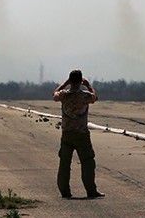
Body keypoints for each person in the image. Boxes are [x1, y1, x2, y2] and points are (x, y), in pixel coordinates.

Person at [53, 70, 104, 198]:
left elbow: (55, 95)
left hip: (67, 134)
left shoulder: (64, 95)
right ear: (81, 81)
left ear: (70, 81)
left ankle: (65, 191)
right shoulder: (84, 96)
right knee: (87, 162)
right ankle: (91, 190)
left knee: (64, 163)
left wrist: (64, 85)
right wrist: (88, 85)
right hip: (81, 134)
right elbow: (95, 97)